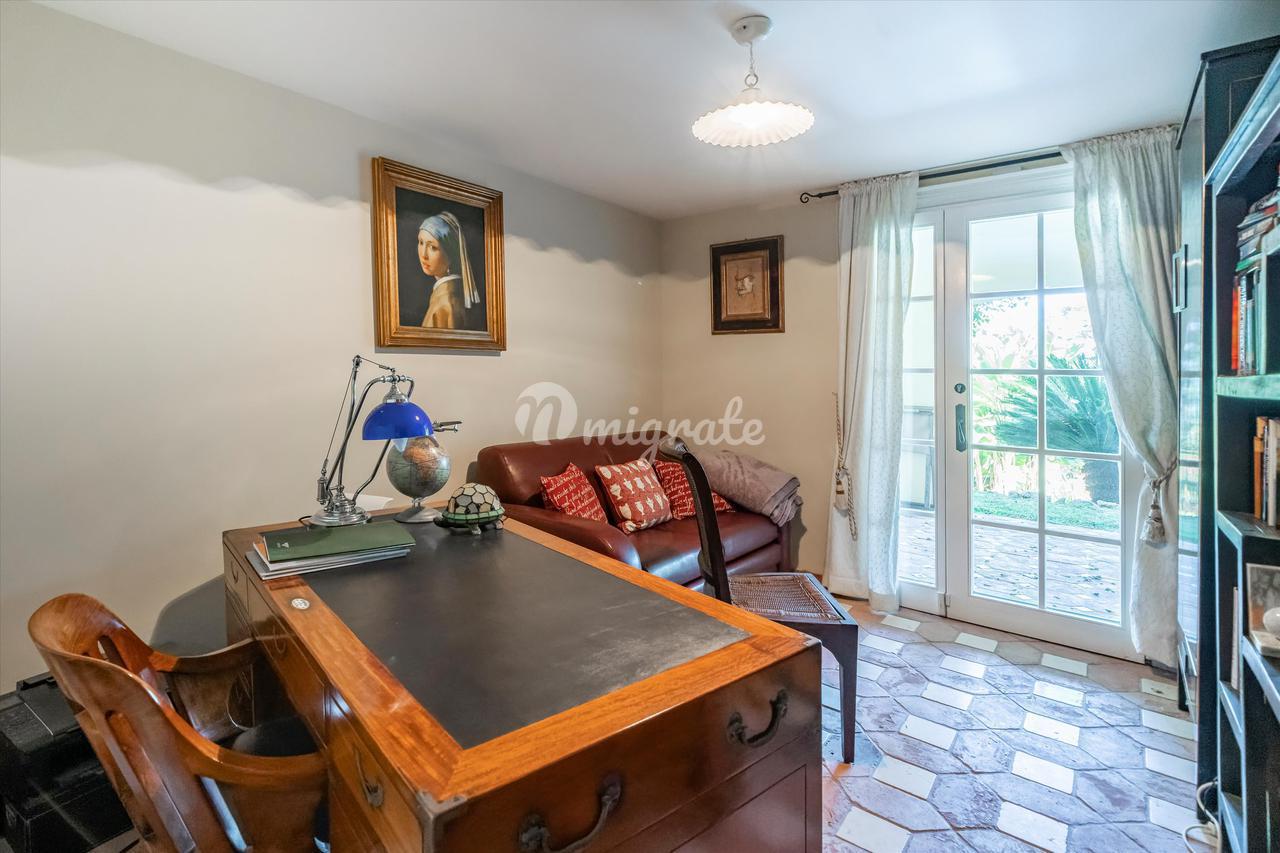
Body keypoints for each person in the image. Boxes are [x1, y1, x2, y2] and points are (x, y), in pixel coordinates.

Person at [416, 212, 480, 329]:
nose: (423, 254)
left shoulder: (445, 301)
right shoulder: (454, 291)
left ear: (450, 253)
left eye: (432, 247)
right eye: (420, 242)